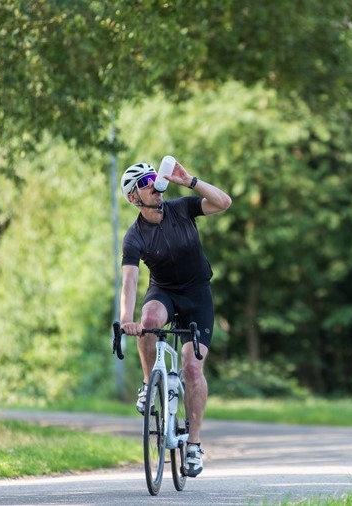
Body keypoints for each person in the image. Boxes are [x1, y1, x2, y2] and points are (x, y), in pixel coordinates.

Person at [118, 159, 232, 478]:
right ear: (133, 197)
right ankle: (147, 382)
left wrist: (190, 181)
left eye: (155, 178)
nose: (155, 185)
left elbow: (223, 202)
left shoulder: (181, 208)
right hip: (164, 292)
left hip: (197, 294)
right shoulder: (134, 237)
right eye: (146, 182)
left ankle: (193, 445)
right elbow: (129, 281)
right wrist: (126, 318)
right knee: (148, 319)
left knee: (192, 367)